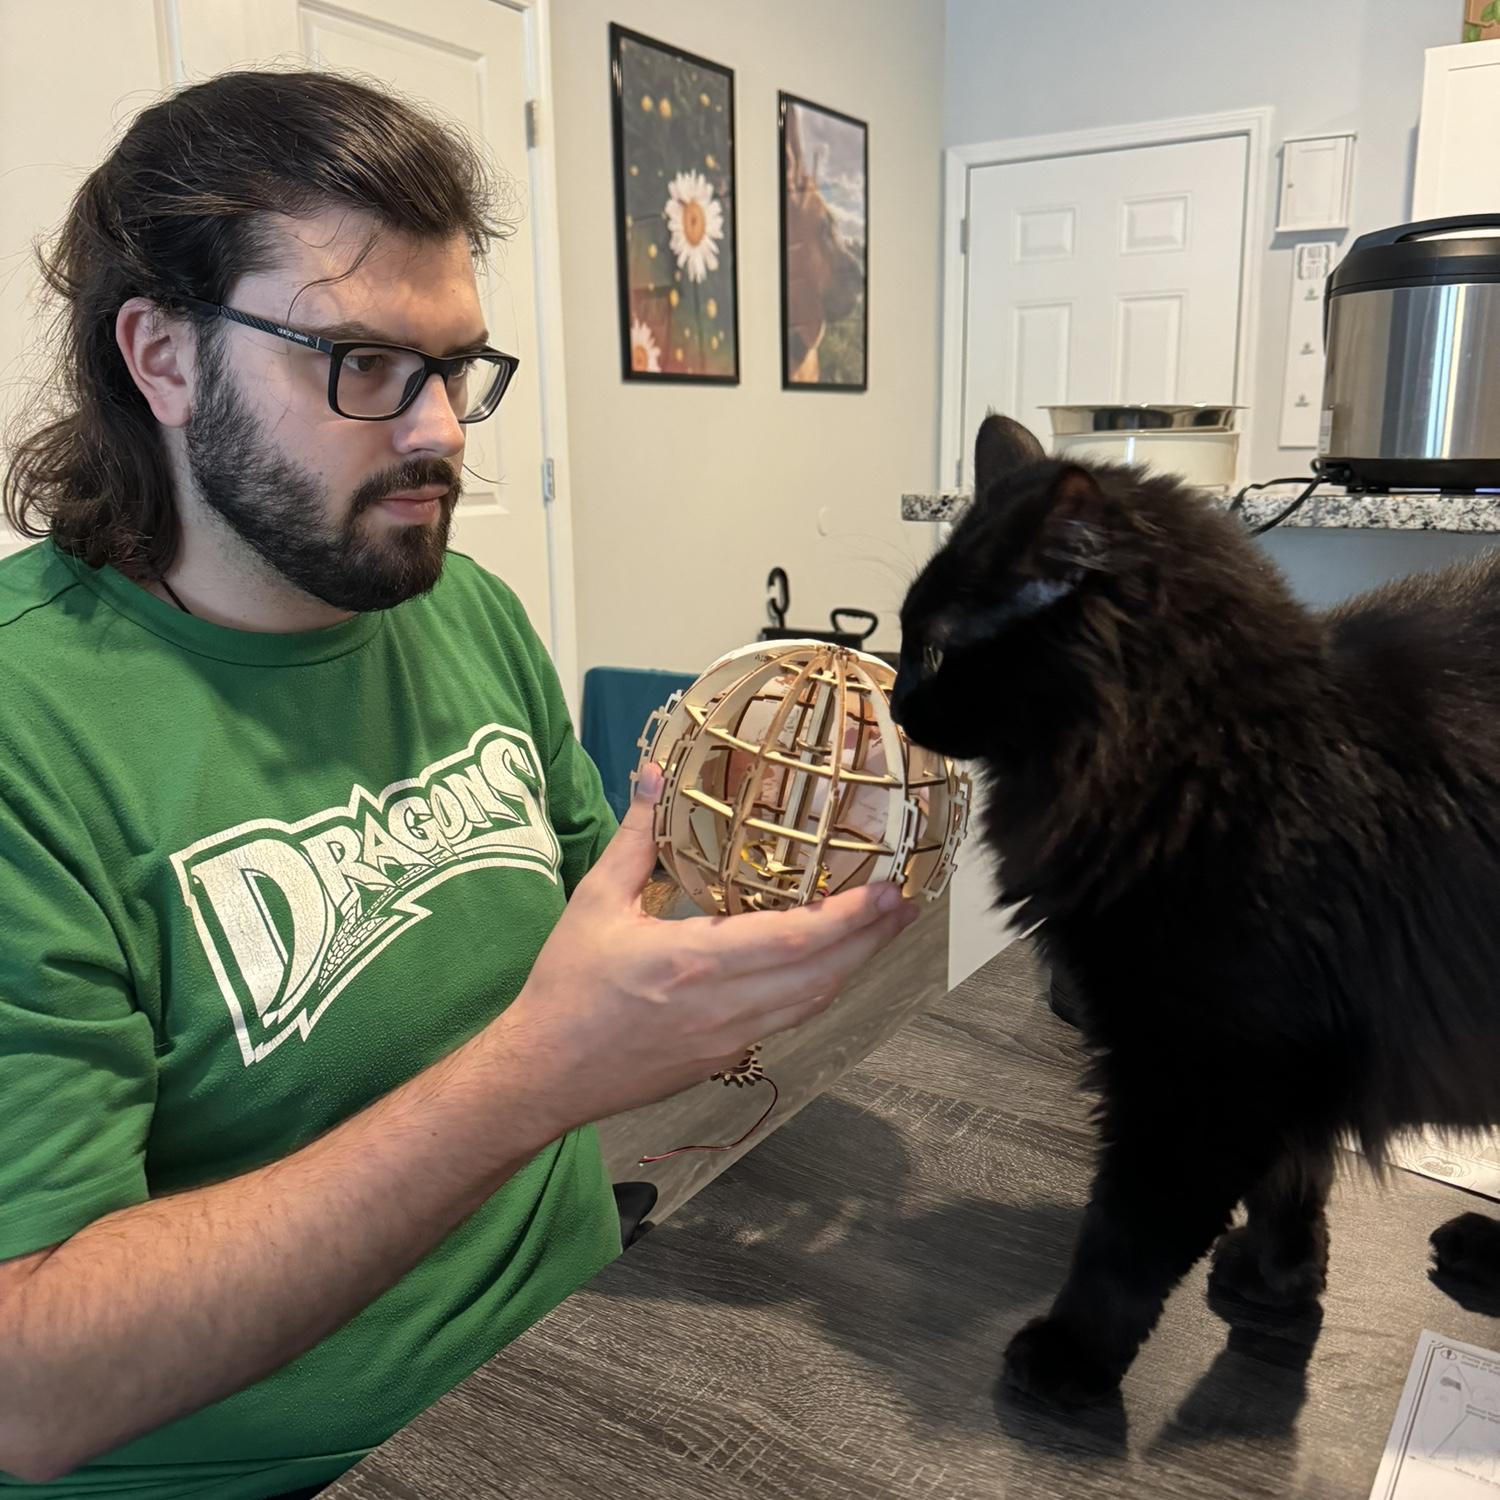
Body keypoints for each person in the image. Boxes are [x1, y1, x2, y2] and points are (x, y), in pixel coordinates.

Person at [0, 70, 917, 1498]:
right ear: (162, 358)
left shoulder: (460, 610)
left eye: (456, 367)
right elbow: (29, 1388)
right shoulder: (27, 733)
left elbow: (592, 953)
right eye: (364, 365)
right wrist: (534, 1078)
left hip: (587, 1348)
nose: (441, 431)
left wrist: (756, 920)